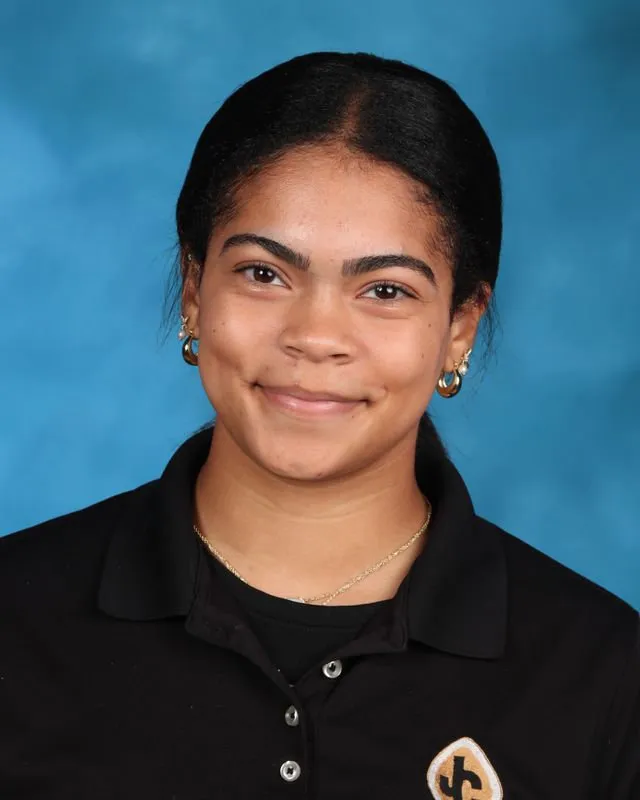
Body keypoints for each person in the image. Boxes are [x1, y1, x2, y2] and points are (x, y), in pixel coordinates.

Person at [1, 51, 638, 800]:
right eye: (264, 274)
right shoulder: (17, 621)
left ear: (460, 328)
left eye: (385, 289)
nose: (315, 335)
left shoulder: (604, 674)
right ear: (194, 292)